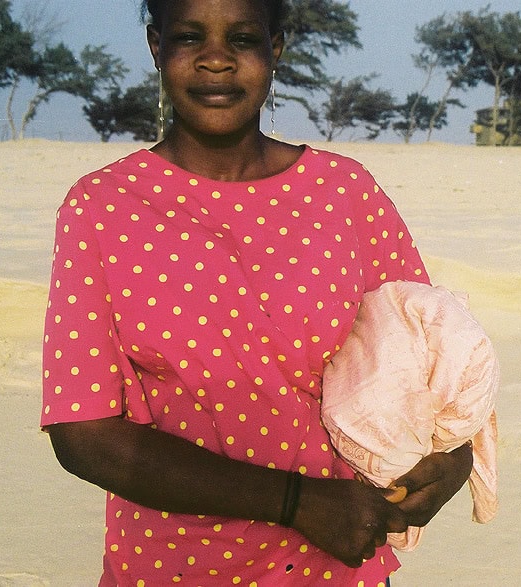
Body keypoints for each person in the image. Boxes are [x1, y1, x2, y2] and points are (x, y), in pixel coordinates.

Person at [40, 0, 473, 584]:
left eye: (242, 39)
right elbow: (85, 434)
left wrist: (452, 459)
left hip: (340, 567)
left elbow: (435, 353)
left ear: (277, 48)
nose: (216, 61)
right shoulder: (102, 207)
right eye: (190, 37)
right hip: (173, 567)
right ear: (155, 48)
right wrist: (297, 502)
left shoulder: (344, 193)